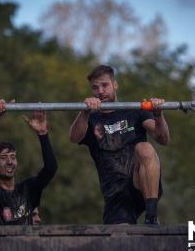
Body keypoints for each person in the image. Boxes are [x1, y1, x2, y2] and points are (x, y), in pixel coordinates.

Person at [69, 65, 170, 225]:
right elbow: (74, 138)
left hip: (141, 183)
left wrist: (158, 114)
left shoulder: (134, 111)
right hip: (115, 195)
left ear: (115, 85)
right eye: (95, 88)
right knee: (121, 239)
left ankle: (151, 216)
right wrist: (84, 112)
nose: (100, 91)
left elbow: (163, 139)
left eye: (104, 85)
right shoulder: (91, 118)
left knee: (144, 148)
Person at [0, 99, 57, 225]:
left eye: (13, 157)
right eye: (3, 157)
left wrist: (42, 133)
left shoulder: (28, 190)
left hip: (25, 244)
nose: (9, 162)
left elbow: (51, 168)